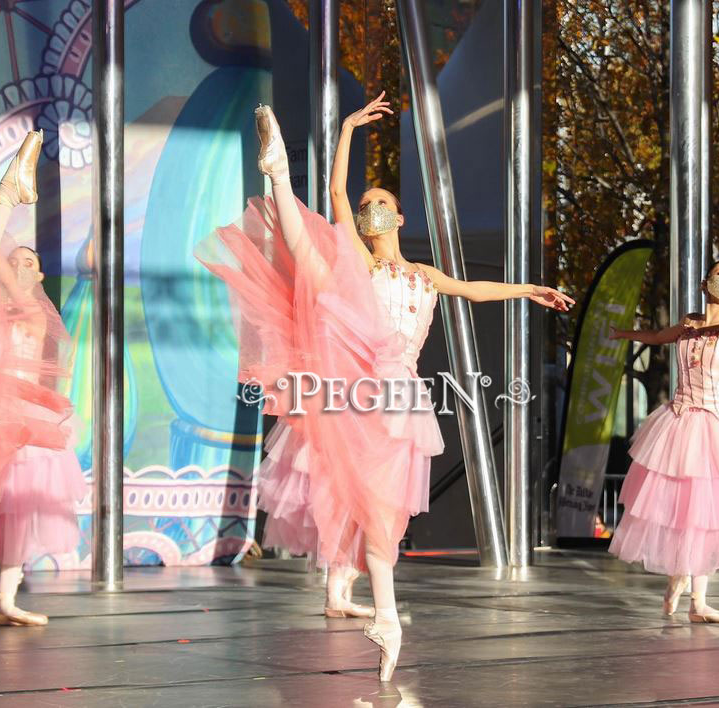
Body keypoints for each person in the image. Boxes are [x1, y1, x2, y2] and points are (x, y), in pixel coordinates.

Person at [196, 93, 573, 681]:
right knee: (312, 259)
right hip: (355, 388)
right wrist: (347, 129)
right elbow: (340, 196)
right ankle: (277, 179)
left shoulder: (423, 274)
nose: (370, 209)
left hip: (399, 402)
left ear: (399, 219)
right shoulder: (360, 265)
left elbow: (473, 291)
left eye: (382, 203)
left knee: (382, 516)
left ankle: (370, 607)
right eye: (368, 203)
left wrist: (529, 290)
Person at [0, 130, 79, 626]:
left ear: (38, 277)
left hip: (21, 420)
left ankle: (7, 598)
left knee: (14, 513)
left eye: (28, 263)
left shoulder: (32, 314)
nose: (18, 267)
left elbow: (56, 376)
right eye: (14, 261)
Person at [609, 259, 719, 624]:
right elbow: (658, 337)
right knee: (684, 511)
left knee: (706, 514)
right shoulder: (689, 326)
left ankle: (697, 600)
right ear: (705, 283)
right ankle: (679, 581)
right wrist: (624, 334)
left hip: (718, 428)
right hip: (681, 423)